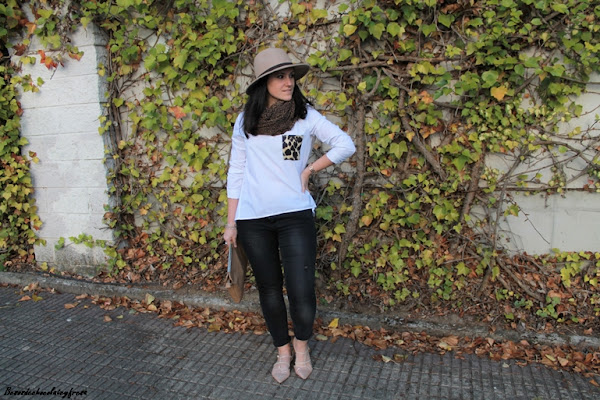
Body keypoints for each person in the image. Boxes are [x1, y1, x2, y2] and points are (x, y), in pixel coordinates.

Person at [223, 47, 356, 383]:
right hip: (253, 218)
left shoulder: (304, 116)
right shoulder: (246, 121)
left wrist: (310, 169)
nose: (288, 82)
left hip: (295, 214)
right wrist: (231, 221)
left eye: (291, 76)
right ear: (263, 83)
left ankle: (301, 347)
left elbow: (345, 144)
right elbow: (236, 170)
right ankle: (282, 351)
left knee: (301, 288)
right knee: (269, 288)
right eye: (280, 76)